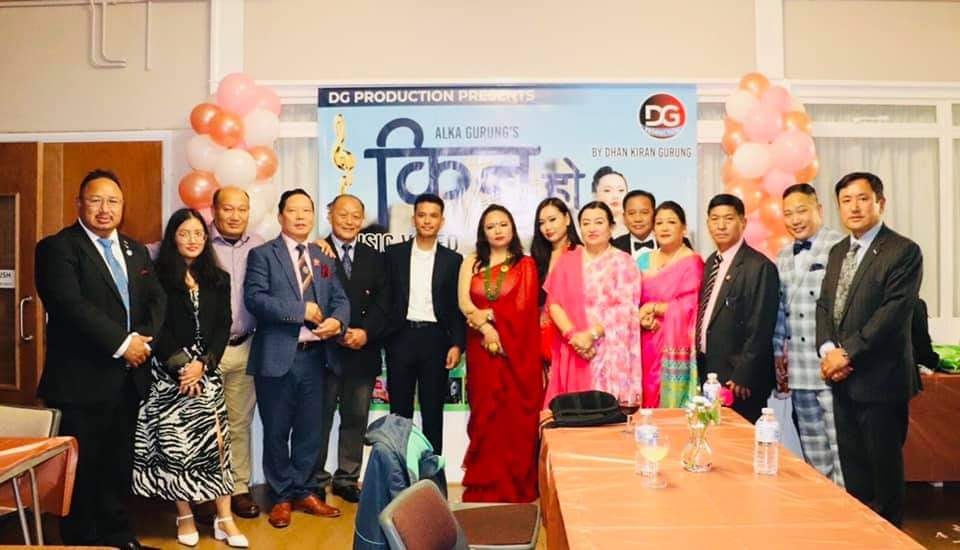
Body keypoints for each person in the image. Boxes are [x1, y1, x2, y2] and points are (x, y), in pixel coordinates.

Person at [35, 169, 166, 550]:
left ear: (123, 206)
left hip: (127, 378)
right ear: (79, 203)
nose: (104, 208)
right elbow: (70, 305)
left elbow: (157, 298)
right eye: (95, 200)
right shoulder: (58, 248)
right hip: (80, 381)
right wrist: (123, 343)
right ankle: (82, 541)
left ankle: (118, 537)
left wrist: (143, 341)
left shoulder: (135, 250)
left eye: (113, 201)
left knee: (117, 463)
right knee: (82, 470)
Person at [132, 208, 248, 548]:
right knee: (177, 448)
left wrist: (204, 364)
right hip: (170, 375)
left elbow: (223, 325)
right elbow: (156, 325)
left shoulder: (218, 277)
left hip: (206, 373)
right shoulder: (155, 276)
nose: (192, 240)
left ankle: (224, 517)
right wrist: (182, 366)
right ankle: (184, 514)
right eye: (184, 233)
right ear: (173, 238)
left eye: (198, 233)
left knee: (217, 446)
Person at [816, 172, 922, 527]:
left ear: (880, 203)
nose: (854, 207)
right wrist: (828, 350)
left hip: (881, 382)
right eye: (846, 201)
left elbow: (892, 313)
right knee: (854, 474)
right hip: (842, 381)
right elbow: (825, 306)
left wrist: (846, 354)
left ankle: (889, 540)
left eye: (862, 198)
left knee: (884, 476)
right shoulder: (837, 251)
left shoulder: (903, 251)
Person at [244, 188, 350, 529]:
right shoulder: (263, 254)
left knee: (310, 431)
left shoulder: (322, 257)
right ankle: (281, 497)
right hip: (277, 358)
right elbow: (255, 299)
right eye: (294, 210)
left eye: (307, 210)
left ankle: (305, 491)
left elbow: (340, 299)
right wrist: (299, 310)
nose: (301, 216)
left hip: (316, 358)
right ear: (281, 216)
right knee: (276, 430)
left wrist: (338, 321)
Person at [458, 205, 543, 502]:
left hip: (516, 355)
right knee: (486, 416)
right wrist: (486, 328)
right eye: (491, 226)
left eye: (503, 224)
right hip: (482, 352)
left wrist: (498, 328)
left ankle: (517, 483)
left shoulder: (526, 265)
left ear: (513, 228)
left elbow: (524, 310)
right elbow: (464, 303)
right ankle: (485, 484)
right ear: (483, 232)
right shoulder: (472, 261)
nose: (497, 230)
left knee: (515, 419)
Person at [314, 194, 390, 504]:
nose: (349, 221)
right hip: (324, 351)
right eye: (342, 214)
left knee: (356, 418)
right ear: (330, 215)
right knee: (319, 419)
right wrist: (336, 330)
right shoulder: (316, 252)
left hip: (362, 350)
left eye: (355, 215)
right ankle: (314, 479)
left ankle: (347, 477)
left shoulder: (375, 257)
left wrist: (365, 333)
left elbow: (385, 302)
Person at [771, 183, 845, 485]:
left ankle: (846, 507)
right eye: (788, 214)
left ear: (819, 210)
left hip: (833, 369)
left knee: (841, 449)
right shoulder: (783, 255)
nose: (795, 219)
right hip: (799, 371)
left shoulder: (840, 247)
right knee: (813, 451)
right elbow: (779, 311)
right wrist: (777, 354)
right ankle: (825, 503)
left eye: (801, 211)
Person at [384, 193, 465, 454]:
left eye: (433, 216)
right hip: (401, 338)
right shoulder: (394, 255)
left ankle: (432, 471)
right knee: (399, 414)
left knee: (432, 412)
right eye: (422, 215)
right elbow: (384, 299)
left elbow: (456, 307)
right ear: (413, 219)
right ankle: (398, 471)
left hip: (435, 340)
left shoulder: (453, 260)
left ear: (442, 221)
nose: (427, 221)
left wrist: (457, 344)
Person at [543, 201, 642, 406]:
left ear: (611, 227)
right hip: (574, 349)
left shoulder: (623, 262)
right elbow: (554, 304)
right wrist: (574, 337)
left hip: (611, 351)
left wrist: (591, 334)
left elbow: (625, 310)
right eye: (586, 223)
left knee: (608, 413)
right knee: (575, 414)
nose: (592, 228)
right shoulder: (567, 261)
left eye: (598, 222)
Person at [696, 193, 779, 423]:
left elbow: (761, 326)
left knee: (740, 439)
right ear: (708, 223)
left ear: (743, 222)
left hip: (739, 380)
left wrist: (744, 374)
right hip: (710, 371)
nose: (721, 225)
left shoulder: (759, 266)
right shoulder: (711, 262)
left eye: (728, 218)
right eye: (715, 219)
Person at [207, 187, 264, 520]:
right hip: (206, 354)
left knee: (239, 424)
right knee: (204, 426)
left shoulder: (259, 245)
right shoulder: (197, 241)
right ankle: (205, 492)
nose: (235, 215)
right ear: (214, 210)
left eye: (241, 209)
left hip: (245, 347)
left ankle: (239, 488)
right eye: (228, 208)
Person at [637, 201, 703, 408]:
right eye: (659, 223)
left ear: (683, 228)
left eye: (671, 222)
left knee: (670, 407)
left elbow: (690, 306)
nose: (664, 228)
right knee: (646, 396)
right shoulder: (643, 259)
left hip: (675, 342)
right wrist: (641, 316)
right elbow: (633, 299)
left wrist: (653, 308)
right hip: (646, 340)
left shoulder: (692, 262)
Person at [526, 198, 581, 370]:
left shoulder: (580, 253)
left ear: (567, 219)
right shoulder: (537, 258)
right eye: (542, 223)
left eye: (552, 220)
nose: (547, 227)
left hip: (572, 336)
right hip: (541, 341)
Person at [613, 189, 658, 265]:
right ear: (624, 217)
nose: (638, 219)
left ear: (655, 214)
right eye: (631, 213)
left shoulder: (669, 242)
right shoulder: (614, 247)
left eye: (644, 212)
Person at [591, 166, 629, 238]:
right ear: (594, 195)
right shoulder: (588, 231)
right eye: (607, 190)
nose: (615, 196)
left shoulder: (638, 228)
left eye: (621, 190)